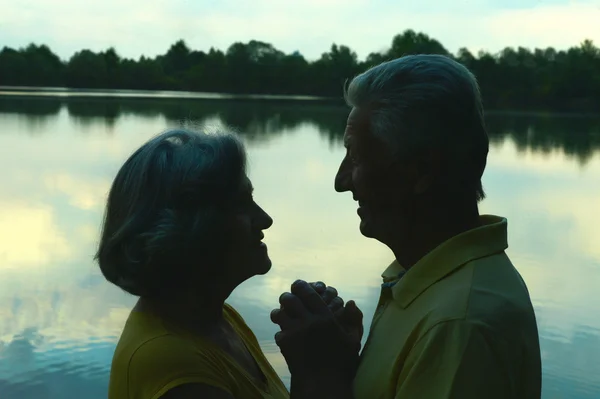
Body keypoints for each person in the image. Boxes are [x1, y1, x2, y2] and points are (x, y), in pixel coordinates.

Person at [271, 54, 542, 398]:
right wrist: (343, 365)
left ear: (420, 171)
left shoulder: (459, 325)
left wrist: (319, 375)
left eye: (355, 157)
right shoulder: (432, 279)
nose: (341, 182)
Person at [98, 129, 339, 399]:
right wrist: (316, 372)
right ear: (190, 228)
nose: (264, 219)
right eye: (241, 204)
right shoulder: (172, 365)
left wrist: (333, 352)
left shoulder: (219, 320)